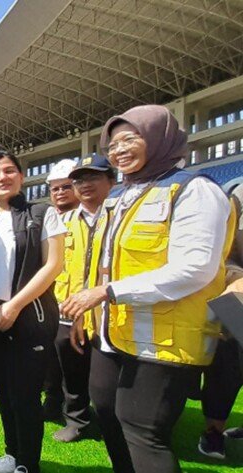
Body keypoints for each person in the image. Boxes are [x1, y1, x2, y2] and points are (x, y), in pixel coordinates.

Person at [62, 105, 234, 473]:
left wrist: (107, 293)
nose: (120, 150)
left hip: (164, 340)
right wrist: (88, 312)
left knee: (143, 430)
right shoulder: (122, 197)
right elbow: (100, 263)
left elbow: (195, 269)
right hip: (113, 332)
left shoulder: (194, 190)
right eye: (113, 144)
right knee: (106, 409)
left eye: (130, 139)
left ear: (159, 138)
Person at [0, 151, 65, 473]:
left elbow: (53, 265)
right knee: (5, 392)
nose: (2, 178)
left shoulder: (42, 213)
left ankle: (28, 464)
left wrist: (15, 305)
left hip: (30, 318)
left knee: (25, 396)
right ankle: (12, 454)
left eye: (9, 171)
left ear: (21, 176)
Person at [49, 154, 115, 442]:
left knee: (108, 377)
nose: (84, 185)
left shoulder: (120, 217)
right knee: (72, 372)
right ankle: (77, 420)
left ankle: (111, 421)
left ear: (111, 181)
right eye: (78, 180)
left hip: (112, 312)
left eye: (93, 177)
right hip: (69, 310)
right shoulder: (63, 223)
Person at [195, 181, 243, 460]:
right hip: (236, 293)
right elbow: (221, 252)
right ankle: (213, 432)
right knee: (227, 368)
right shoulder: (237, 194)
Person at [42, 159, 80, 422]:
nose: (60, 192)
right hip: (49, 304)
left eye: (66, 186)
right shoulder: (46, 218)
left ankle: (76, 415)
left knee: (74, 365)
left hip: (77, 304)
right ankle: (52, 403)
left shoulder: (90, 218)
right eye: (55, 188)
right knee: (50, 363)